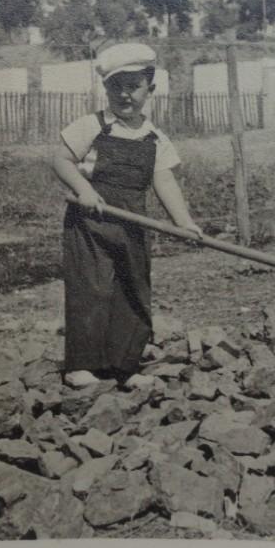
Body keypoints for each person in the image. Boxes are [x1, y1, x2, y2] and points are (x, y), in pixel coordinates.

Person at [51, 43, 203, 386]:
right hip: (91, 223)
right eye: (116, 86)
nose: (124, 94)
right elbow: (61, 159)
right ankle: (82, 366)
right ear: (105, 89)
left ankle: (125, 367)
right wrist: (85, 190)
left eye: (133, 86)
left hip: (134, 223)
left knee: (132, 288)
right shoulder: (92, 126)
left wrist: (184, 222)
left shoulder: (155, 138)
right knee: (90, 289)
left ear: (150, 89)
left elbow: (163, 180)